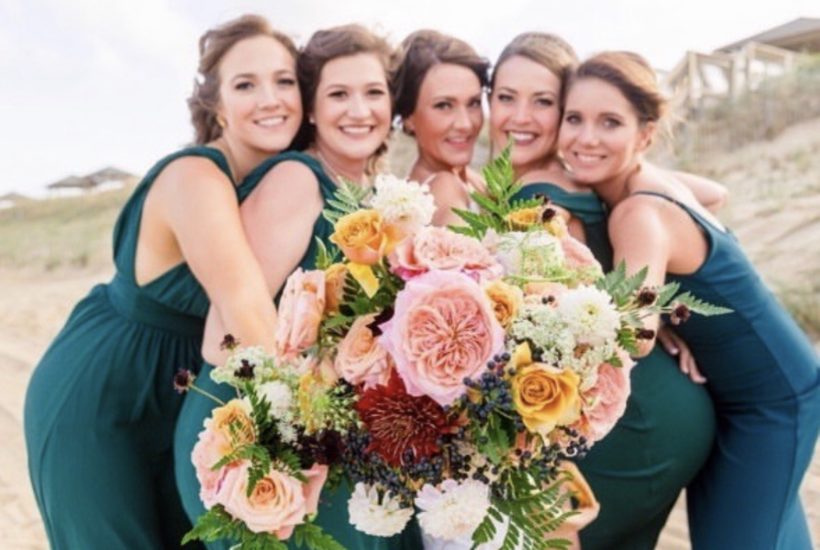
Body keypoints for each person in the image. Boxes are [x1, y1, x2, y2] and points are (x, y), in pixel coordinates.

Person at [24, 14, 299, 548]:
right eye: (246, 84)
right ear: (217, 106)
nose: (270, 98)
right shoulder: (195, 177)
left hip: (180, 400)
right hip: (105, 398)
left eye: (284, 81)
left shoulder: (272, 188)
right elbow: (246, 310)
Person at [558, 50, 819, 550]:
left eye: (609, 122)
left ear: (646, 134)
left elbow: (633, 335)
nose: (586, 137)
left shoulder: (636, 213)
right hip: (743, 394)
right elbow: (716, 191)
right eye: (575, 118)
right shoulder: (654, 183)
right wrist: (676, 311)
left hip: (774, 403)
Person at [174, 24, 422, 549]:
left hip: (328, 438)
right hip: (258, 440)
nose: (359, 110)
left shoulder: (373, 195)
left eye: (373, 92)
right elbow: (223, 336)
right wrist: (307, 416)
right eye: (338, 94)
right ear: (311, 108)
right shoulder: (298, 180)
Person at [487, 33, 719, 549]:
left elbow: (575, 332)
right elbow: (711, 194)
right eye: (506, 97)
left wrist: (645, 321)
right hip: (658, 416)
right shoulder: (582, 179)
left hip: (632, 430)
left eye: (543, 102)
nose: (520, 116)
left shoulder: (545, 202)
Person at [393, 29, 489, 225]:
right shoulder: (445, 188)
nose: (465, 124)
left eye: (474, 103)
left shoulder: (470, 181)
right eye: (444, 105)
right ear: (408, 116)